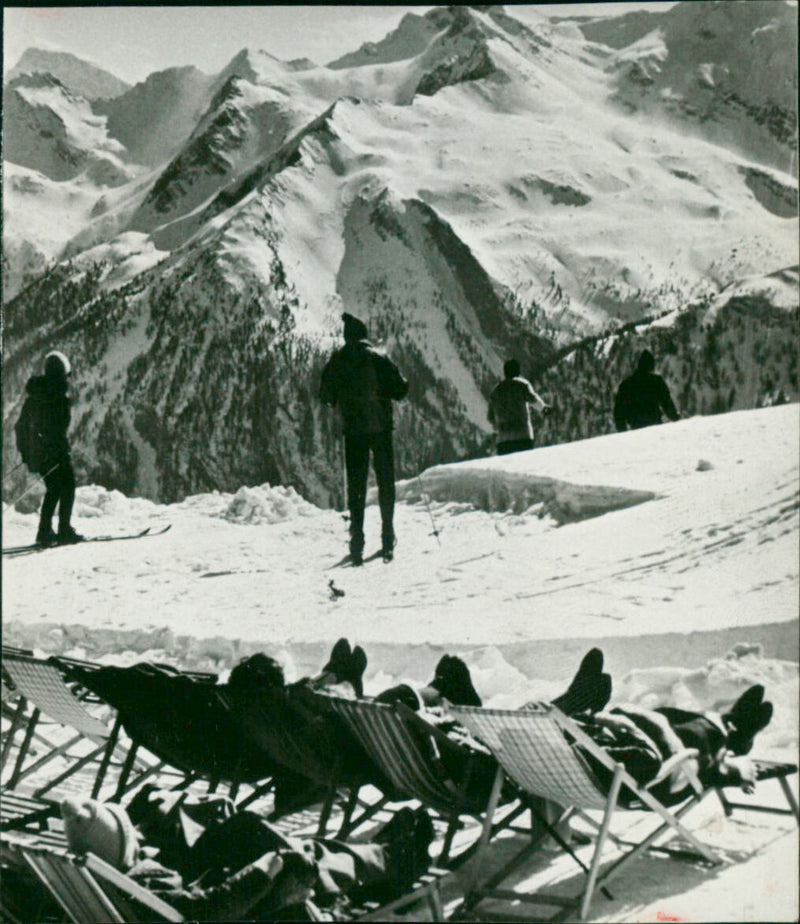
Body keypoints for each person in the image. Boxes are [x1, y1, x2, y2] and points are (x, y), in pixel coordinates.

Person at [320, 313, 408, 564]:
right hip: (380, 428)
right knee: (385, 483)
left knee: (356, 486)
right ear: (364, 335)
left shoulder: (337, 360)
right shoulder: (378, 358)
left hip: (354, 431)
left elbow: (325, 396)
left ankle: (356, 541)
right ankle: (387, 537)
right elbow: (400, 390)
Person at [15, 350, 82, 545]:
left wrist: (27, 453)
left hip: (39, 455)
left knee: (54, 488)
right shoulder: (58, 397)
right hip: (55, 453)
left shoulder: (35, 395)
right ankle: (63, 530)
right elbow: (57, 430)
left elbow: (20, 427)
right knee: (67, 485)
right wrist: (62, 452)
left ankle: (45, 532)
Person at [488, 359, 550, 455]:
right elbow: (533, 400)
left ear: (505, 372)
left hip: (503, 440)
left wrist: (498, 428)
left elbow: (490, 417)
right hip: (523, 437)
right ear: (518, 371)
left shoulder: (496, 391)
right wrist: (543, 408)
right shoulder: (522, 385)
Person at [613, 348, 680, 432]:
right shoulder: (656, 381)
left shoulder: (626, 384)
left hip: (636, 427)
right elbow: (667, 404)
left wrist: (623, 433)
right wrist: (676, 419)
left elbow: (619, 413)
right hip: (654, 425)